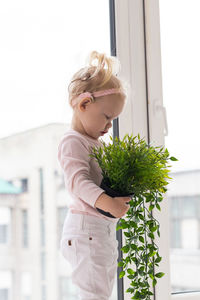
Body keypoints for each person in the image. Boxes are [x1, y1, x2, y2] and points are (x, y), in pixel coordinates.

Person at [57, 50, 131, 300]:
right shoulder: (73, 140)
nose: (110, 126)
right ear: (84, 104)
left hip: (99, 230)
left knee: (100, 292)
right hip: (86, 230)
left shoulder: (95, 143)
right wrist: (108, 202)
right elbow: (78, 182)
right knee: (94, 295)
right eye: (107, 117)